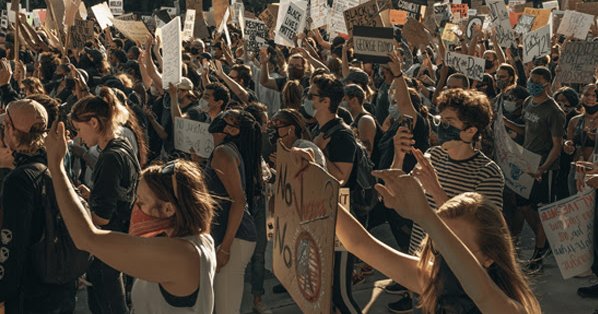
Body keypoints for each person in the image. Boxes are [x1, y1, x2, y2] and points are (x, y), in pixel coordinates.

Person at [45, 120, 216, 312]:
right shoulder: (199, 238)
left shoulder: (182, 255)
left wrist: (56, 167)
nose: (136, 208)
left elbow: (86, 238)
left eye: (142, 202)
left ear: (169, 209)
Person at [334, 170, 541, 314]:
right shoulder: (434, 281)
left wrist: (425, 215)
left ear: (489, 257)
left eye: (455, 246)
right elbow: (359, 243)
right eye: (439, 245)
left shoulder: (511, 308)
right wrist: (317, 182)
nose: (444, 255)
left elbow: (482, 295)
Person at [0, 100, 78, 313]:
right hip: (60, 286)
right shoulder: (52, 166)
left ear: (11, 130)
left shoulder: (19, 180)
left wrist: (3, 294)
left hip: (31, 294)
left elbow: (12, 243)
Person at [69, 92, 141, 314]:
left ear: (94, 122)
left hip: (107, 246)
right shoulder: (122, 145)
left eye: (79, 130)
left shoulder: (110, 157)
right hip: (119, 243)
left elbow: (101, 217)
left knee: (107, 305)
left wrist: (75, 204)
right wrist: (94, 195)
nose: (78, 137)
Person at [503, 66, 566, 274]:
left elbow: (557, 145)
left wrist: (543, 168)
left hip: (543, 167)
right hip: (526, 163)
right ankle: (544, 239)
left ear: (547, 84)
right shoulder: (529, 102)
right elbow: (526, 130)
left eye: (537, 82)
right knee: (523, 206)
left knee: (540, 208)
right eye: (531, 80)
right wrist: (506, 124)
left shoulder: (554, 112)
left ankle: (538, 252)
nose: (532, 84)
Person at [308, 73, 361, 313]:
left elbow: (340, 177)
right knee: (325, 291)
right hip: (325, 216)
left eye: (312, 96)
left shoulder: (341, 134)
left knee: (340, 293)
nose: (308, 100)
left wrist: (319, 154)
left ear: (326, 101)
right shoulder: (319, 129)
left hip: (344, 218)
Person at [206, 110, 259, 313]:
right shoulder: (225, 151)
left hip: (235, 238)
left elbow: (239, 200)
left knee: (226, 308)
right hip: (233, 236)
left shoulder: (223, 153)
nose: (220, 122)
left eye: (227, 122)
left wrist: (226, 248)